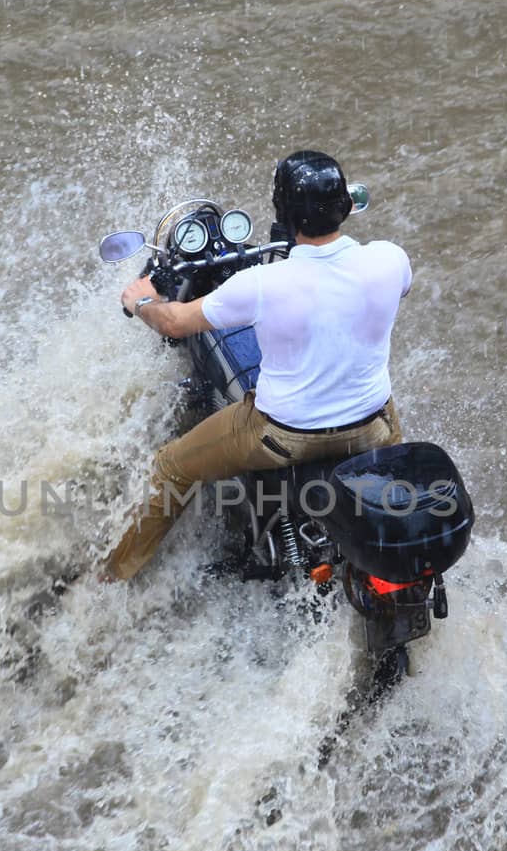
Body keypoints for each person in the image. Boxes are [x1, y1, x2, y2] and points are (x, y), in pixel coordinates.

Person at [104, 150, 411, 581]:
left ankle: (111, 578)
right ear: (345, 205)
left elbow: (174, 322)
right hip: (372, 427)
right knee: (382, 396)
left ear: (284, 218)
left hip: (283, 436)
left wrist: (140, 301)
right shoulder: (389, 259)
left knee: (170, 466)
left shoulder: (263, 284)